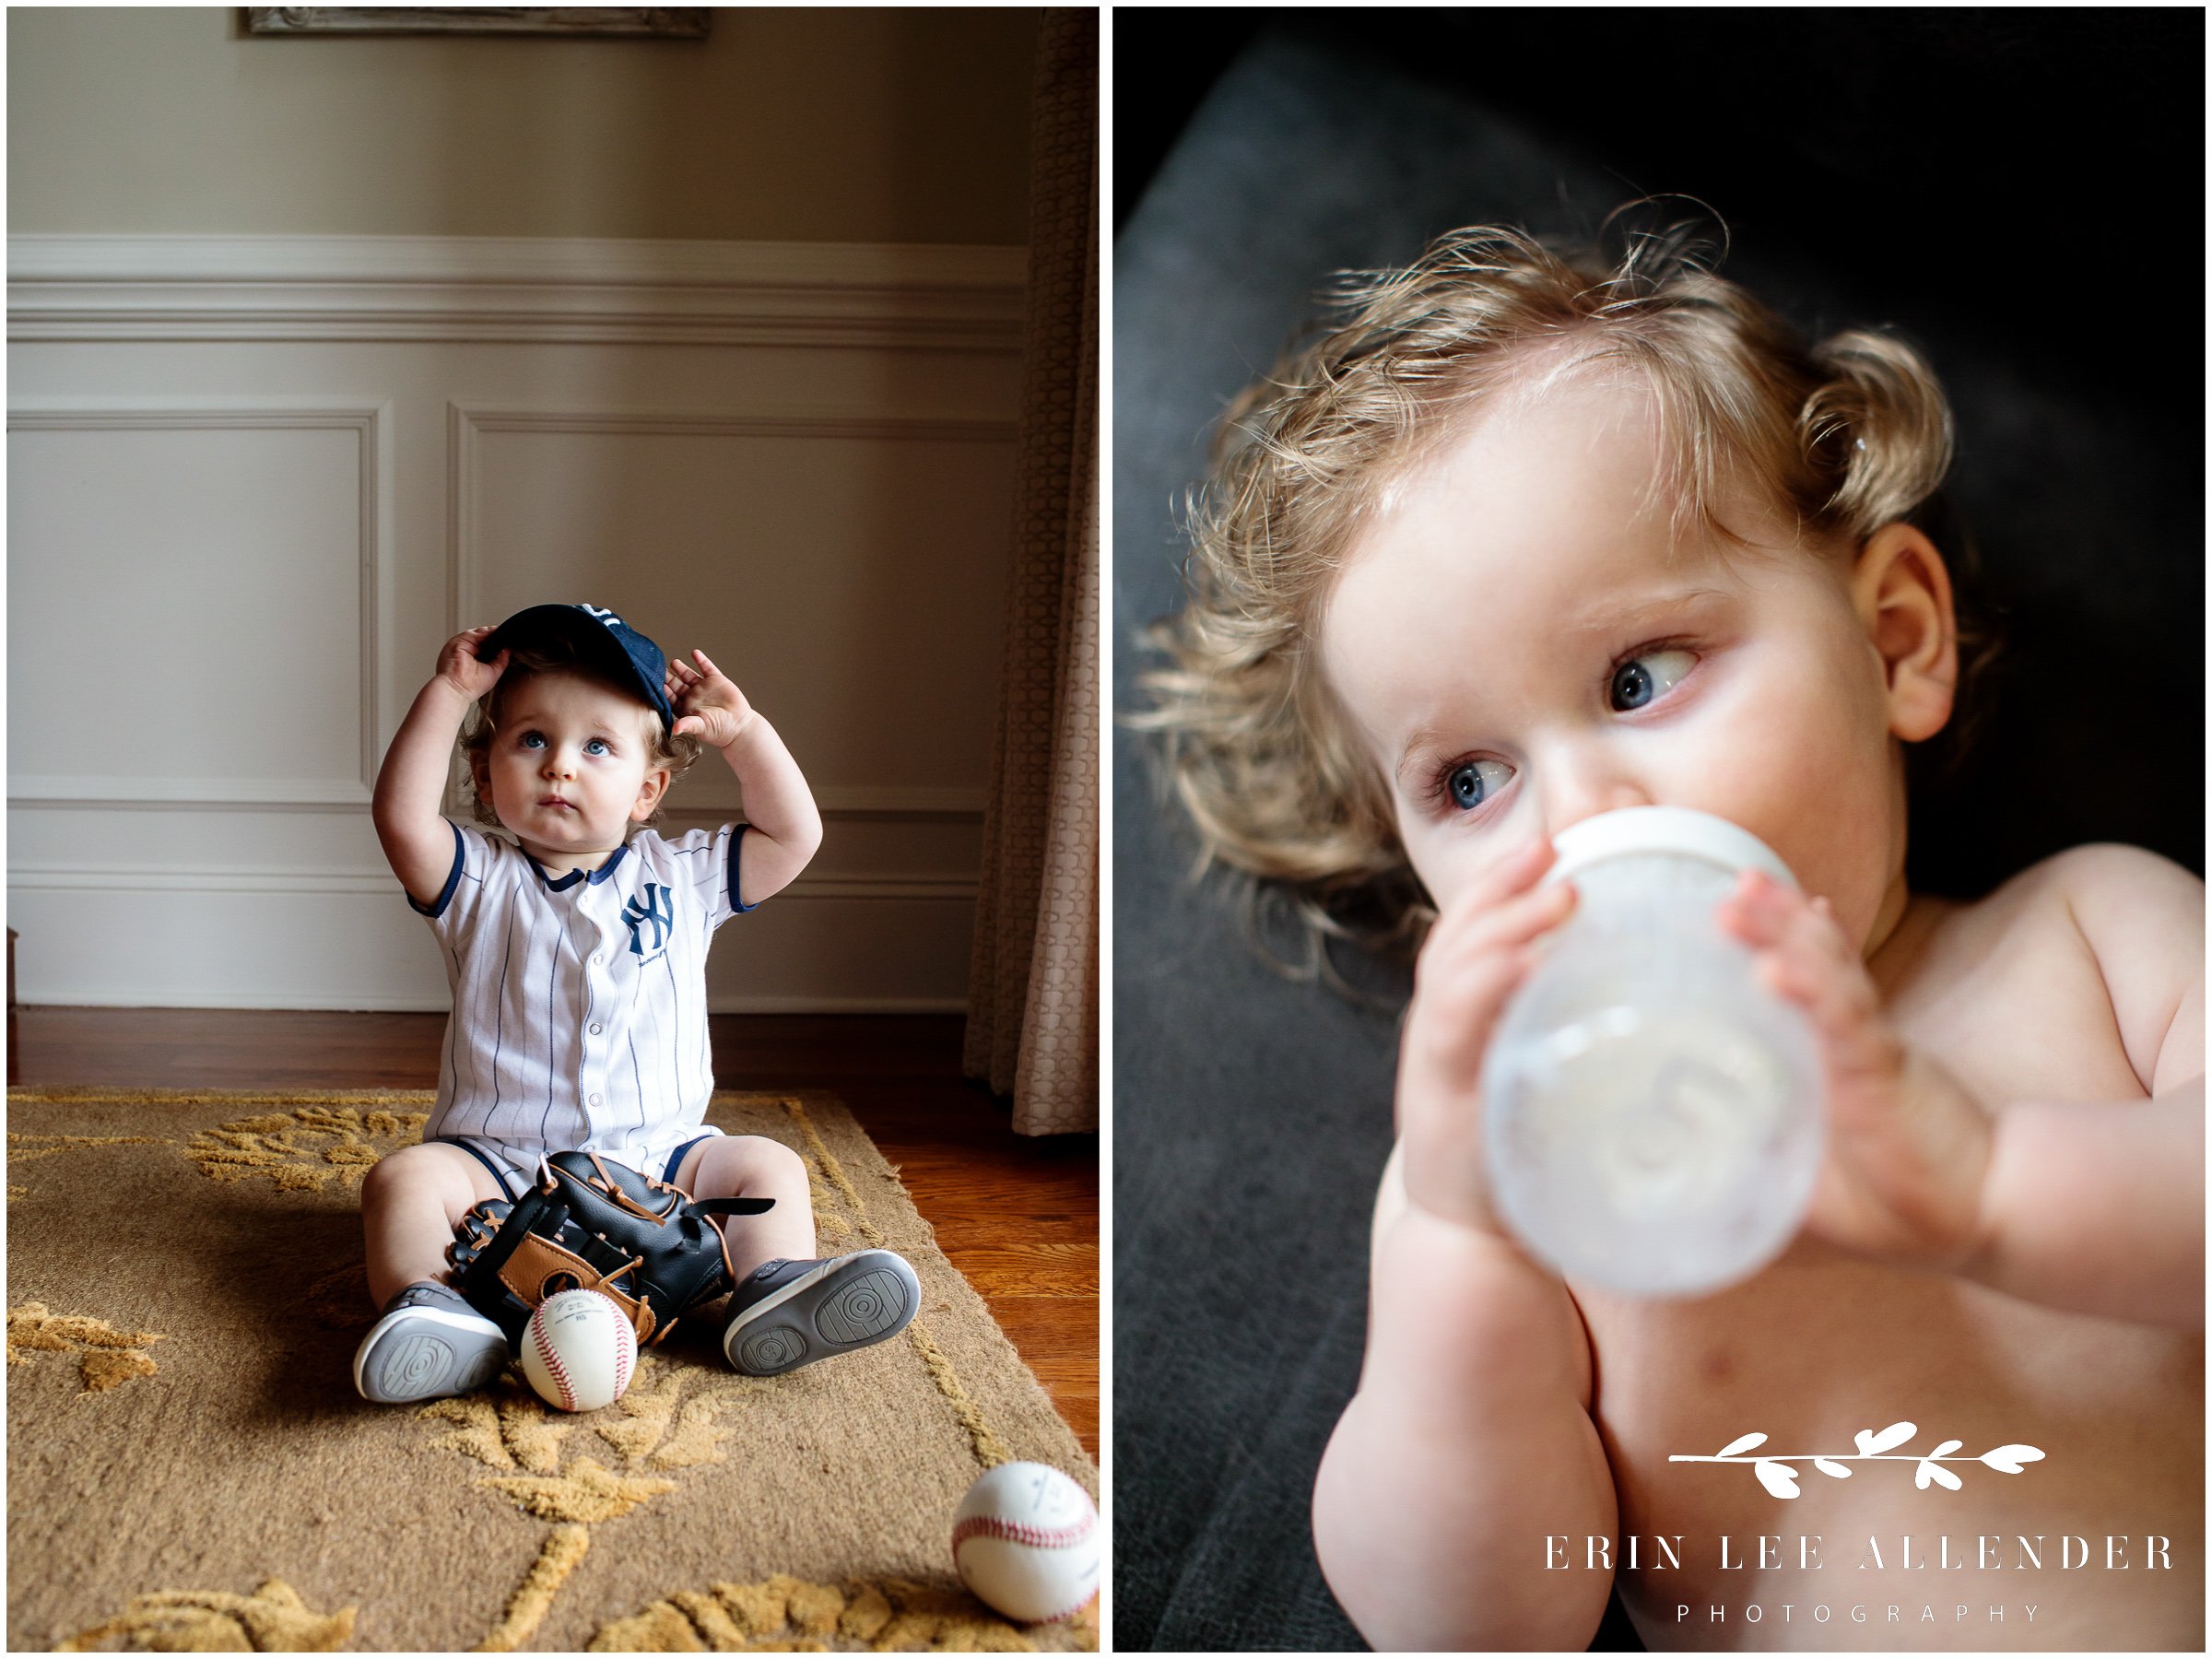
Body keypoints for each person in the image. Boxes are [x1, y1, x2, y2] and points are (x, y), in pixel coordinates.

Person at [1140, 215, 2204, 1649]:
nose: (1578, 818)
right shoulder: (1516, 1181)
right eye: (1470, 781)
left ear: (1894, 639)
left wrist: (1993, 1185)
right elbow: (1474, 1626)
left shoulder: (2085, 936)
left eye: (1641, 676)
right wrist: (1460, 1241)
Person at [352, 603, 921, 1405]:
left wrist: (744, 735)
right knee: (403, 1181)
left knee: (769, 1166)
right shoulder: (479, 880)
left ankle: (770, 1286)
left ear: (647, 789)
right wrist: (449, 692)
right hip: (498, 1170)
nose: (560, 767)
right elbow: (401, 816)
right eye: (531, 740)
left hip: (665, 1167)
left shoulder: (681, 876)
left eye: (597, 747)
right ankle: (432, 1305)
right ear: (484, 777)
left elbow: (794, 836)